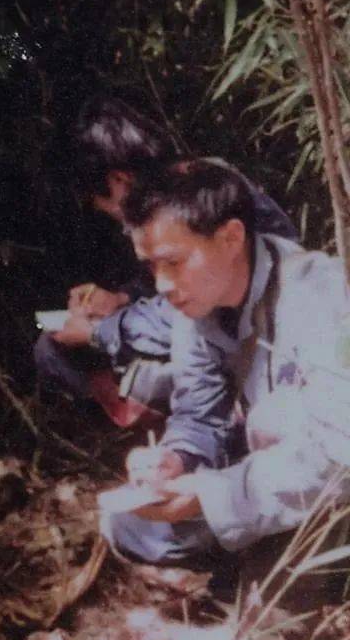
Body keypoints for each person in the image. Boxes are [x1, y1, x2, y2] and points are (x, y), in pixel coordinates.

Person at [103, 160, 347, 580]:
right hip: (272, 476)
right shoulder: (198, 303)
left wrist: (212, 494)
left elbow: (339, 454)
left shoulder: (319, 296)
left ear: (232, 237)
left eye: (173, 262)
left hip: (333, 481)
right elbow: (198, 411)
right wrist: (175, 459)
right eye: (151, 267)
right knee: (128, 525)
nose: (161, 285)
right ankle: (260, 557)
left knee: (275, 419)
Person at [36, 98, 298, 427]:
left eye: (99, 200)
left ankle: (220, 421)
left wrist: (97, 332)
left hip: (253, 338)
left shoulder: (197, 193)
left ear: (119, 180)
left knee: (153, 375)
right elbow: (165, 289)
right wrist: (121, 298)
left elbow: (191, 308)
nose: (104, 211)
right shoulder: (161, 201)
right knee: (50, 349)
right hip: (205, 329)